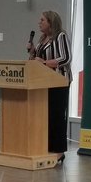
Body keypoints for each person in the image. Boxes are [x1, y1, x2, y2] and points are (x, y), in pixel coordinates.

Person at [26, 10, 72, 156]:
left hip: (59, 81)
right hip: (43, 82)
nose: (39, 22)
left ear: (51, 23)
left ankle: (59, 151)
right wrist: (32, 52)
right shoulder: (42, 38)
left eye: (42, 20)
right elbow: (37, 60)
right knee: (45, 115)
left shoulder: (60, 36)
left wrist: (45, 62)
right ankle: (46, 147)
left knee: (57, 114)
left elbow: (66, 58)